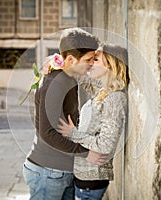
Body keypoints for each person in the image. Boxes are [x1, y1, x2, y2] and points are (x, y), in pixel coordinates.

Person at [23, 28, 108, 200]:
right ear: (70, 59)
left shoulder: (68, 76)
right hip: (48, 173)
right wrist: (86, 153)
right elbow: (48, 133)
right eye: (88, 59)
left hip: (62, 170)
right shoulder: (53, 84)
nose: (92, 63)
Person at [57, 43, 129, 200]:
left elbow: (106, 145)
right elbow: (83, 78)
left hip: (92, 180)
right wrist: (62, 63)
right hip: (83, 176)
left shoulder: (115, 99)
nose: (90, 63)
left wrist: (73, 134)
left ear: (109, 64)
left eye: (95, 60)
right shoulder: (104, 91)